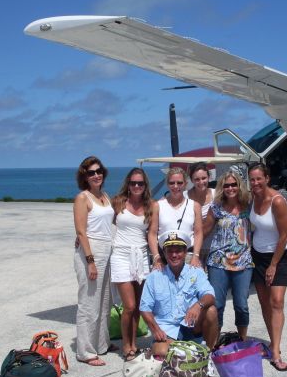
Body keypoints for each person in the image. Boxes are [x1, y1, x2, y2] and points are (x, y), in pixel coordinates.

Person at [139, 231, 219, 357]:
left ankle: (207, 355)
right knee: (162, 352)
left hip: (192, 326)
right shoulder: (154, 277)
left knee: (212, 311)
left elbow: (210, 295)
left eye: (178, 251)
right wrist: (155, 329)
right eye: (170, 251)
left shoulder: (195, 272)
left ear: (186, 252)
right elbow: (144, 308)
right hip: (167, 329)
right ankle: (187, 350)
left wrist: (198, 305)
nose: (174, 255)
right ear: (164, 253)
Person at [248, 162, 287, 372]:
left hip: (279, 255)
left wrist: (273, 265)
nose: (255, 183)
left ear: (267, 178)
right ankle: (273, 344)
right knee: (265, 303)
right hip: (258, 254)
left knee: (277, 301)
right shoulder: (253, 197)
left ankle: (276, 352)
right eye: (252, 179)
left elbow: (285, 235)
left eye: (259, 178)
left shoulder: (278, 201)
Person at [111, 168, 156, 361]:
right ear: (127, 184)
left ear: (145, 186)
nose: (136, 186)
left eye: (140, 183)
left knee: (138, 305)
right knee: (128, 306)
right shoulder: (118, 202)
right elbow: (103, 222)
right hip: (121, 255)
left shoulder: (150, 206)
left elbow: (153, 233)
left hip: (142, 257)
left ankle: (134, 344)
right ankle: (126, 345)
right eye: (133, 183)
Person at [73, 156, 114, 366]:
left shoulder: (105, 196)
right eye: (91, 173)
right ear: (85, 177)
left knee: (105, 301)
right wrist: (90, 261)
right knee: (89, 304)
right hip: (92, 251)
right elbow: (81, 231)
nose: (96, 175)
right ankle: (86, 351)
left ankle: (101, 344)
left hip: (107, 249)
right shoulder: (83, 198)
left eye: (99, 171)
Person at [203, 170, 254, 340]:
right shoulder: (216, 207)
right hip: (218, 262)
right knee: (217, 305)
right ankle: (214, 341)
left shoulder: (248, 204)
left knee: (241, 305)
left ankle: (242, 340)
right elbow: (204, 230)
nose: (230, 188)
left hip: (244, 261)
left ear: (239, 186)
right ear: (222, 188)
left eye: (234, 184)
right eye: (226, 185)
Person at [148, 167, 203, 270]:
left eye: (179, 183)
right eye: (172, 183)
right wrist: (156, 257)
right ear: (167, 184)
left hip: (188, 256)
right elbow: (152, 233)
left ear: (185, 184)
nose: (176, 186)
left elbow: (198, 232)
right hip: (164, 256)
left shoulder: (195, 206)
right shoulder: (158, 206)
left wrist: (196, 256)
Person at [186, 162, 215, 265]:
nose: (201, 182)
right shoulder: (184, 197)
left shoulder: (216, 195)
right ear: (191, 180)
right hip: (190, 251)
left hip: (213, 249)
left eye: (204, 178)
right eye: (197, 179)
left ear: (209, 177)